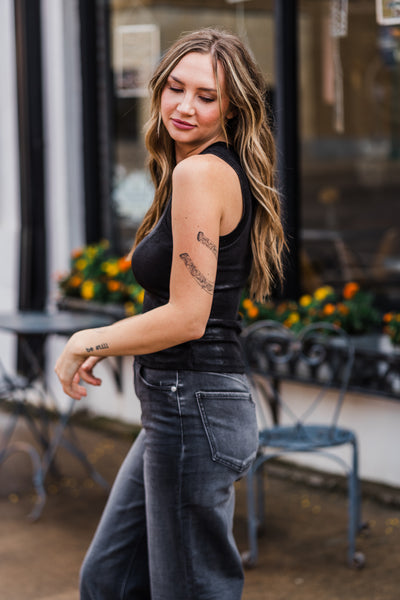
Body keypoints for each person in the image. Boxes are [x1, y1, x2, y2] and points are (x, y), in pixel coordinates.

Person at [55, 27, 285, 600]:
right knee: (109, 581)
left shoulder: (201, 173)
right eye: (175, 89)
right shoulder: (193, 171)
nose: (185, 106)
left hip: (193, 405)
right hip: (181, 406)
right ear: (158, 90)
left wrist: (89, 339)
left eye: (206, 96)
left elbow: (187, 317)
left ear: (232, 110)